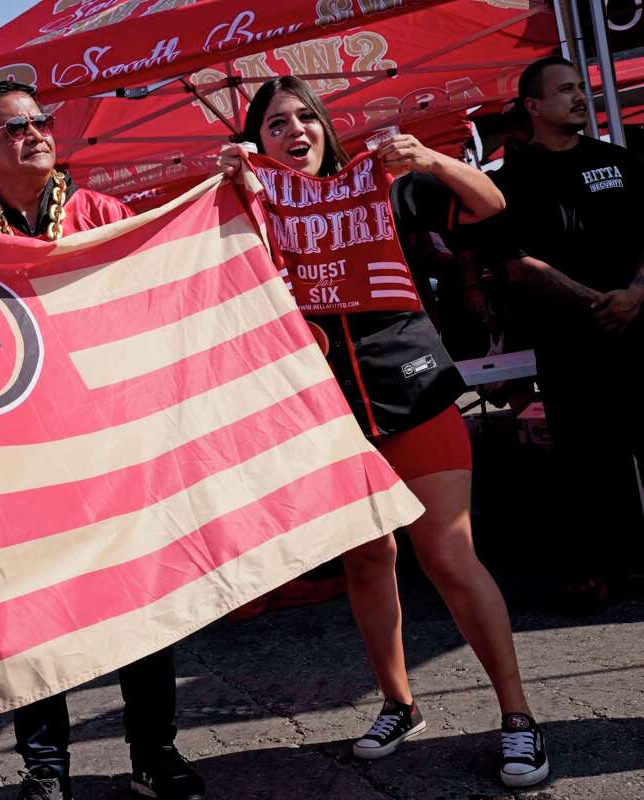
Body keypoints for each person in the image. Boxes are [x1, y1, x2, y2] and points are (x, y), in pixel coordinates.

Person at [0, 31, 204, 800]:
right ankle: (47, 768)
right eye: (15, 129)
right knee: (32, 611)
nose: (35, 136)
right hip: (18, 449)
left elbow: (161, 286)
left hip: (113, 434)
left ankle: (153, 752)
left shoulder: (101, 209)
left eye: (41, 124)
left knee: (142, 601)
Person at [220, 76, 549, 789]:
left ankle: (519, 717)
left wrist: (430, 159)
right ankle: (399, 704)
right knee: (367, 563)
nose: (294, 130)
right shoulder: (253, 204)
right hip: (324, 410)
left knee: (450, 558)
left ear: (325, 128)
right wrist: (226, 184)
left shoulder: (385, 183)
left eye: (305, 116)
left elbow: (490, 204)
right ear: (261, 139)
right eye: (276, 124)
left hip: (416, 391)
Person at [483, 56, 644, 608]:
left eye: (582, 88)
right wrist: (596, 301)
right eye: (566, 90)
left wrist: (636, 295)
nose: (580, 97)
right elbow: (514, 263)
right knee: (590, 458)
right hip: (570, 343)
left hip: (639, 326)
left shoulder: (620, 162)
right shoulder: (509, 182)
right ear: (533, 106)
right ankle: (603, 567)